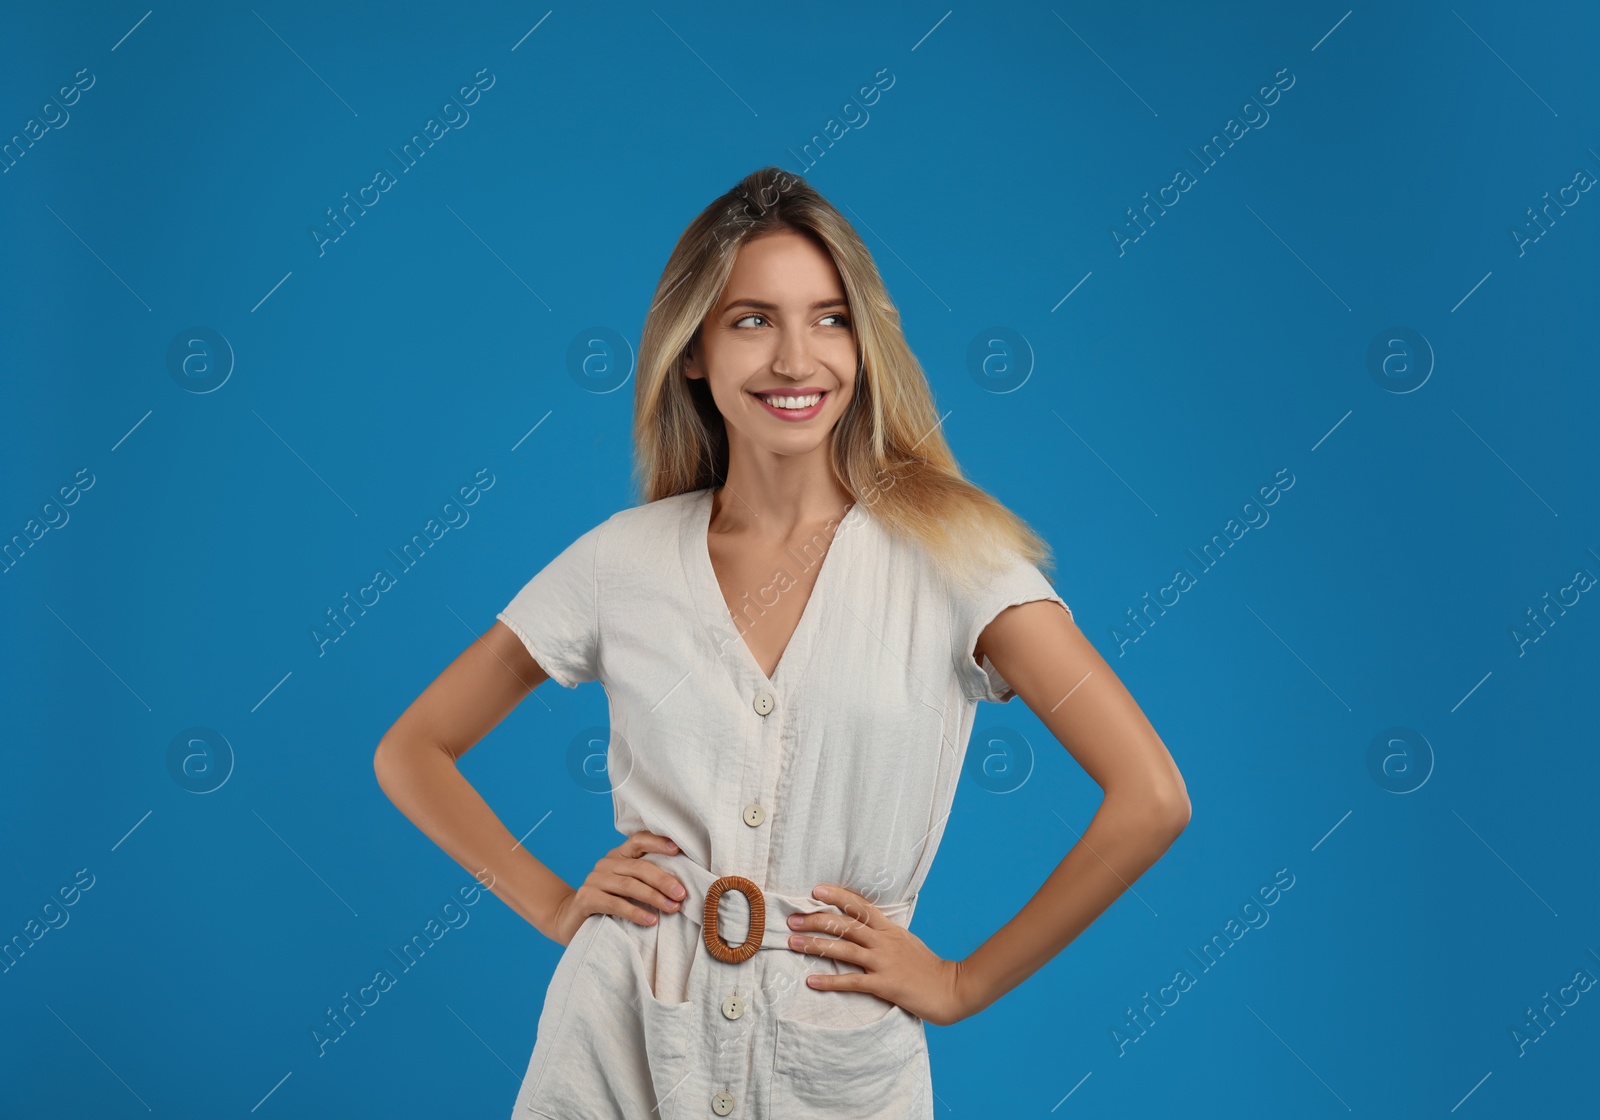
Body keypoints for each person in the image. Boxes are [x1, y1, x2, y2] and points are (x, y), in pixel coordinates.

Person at [373, 166, 1190, 1119]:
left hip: (837, 1064)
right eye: (753, 319)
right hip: (615, 1038)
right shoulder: (621, 562)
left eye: (831, 318)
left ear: (865, 342)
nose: (797, 358)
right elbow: (411, 751)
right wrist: (555, 906)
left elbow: (1151, 798)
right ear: (693, 351)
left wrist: (962, 984)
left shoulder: (959, 564)